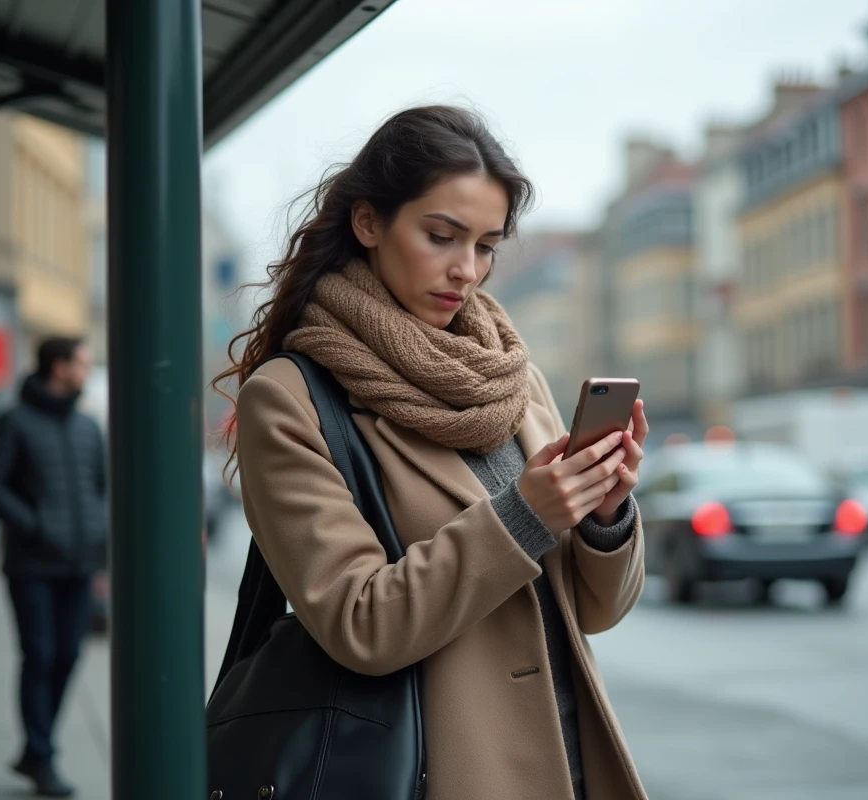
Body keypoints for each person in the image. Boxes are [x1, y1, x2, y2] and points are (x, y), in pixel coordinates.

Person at [216, 106, 650, 800]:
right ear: (368, 223)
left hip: (570, 769)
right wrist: (524, 517)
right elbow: (359, 623)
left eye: (485, 245)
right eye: (441, 236)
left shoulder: (512, 374)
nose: (466, 270)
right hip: (430, 774)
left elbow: (593, 614)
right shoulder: (291, 398)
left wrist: (605, 514)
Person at [0, 337, 106, 798]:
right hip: (31, 564)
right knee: (41, 656)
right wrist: (35, 524)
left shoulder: (89, 426)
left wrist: (99, 540)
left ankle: (35, 749)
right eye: (82, 362)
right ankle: (43, 754)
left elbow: (101, 489)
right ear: (58, 366)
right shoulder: (13, 421)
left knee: (68, 656)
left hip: (78, 564)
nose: (87, 370)